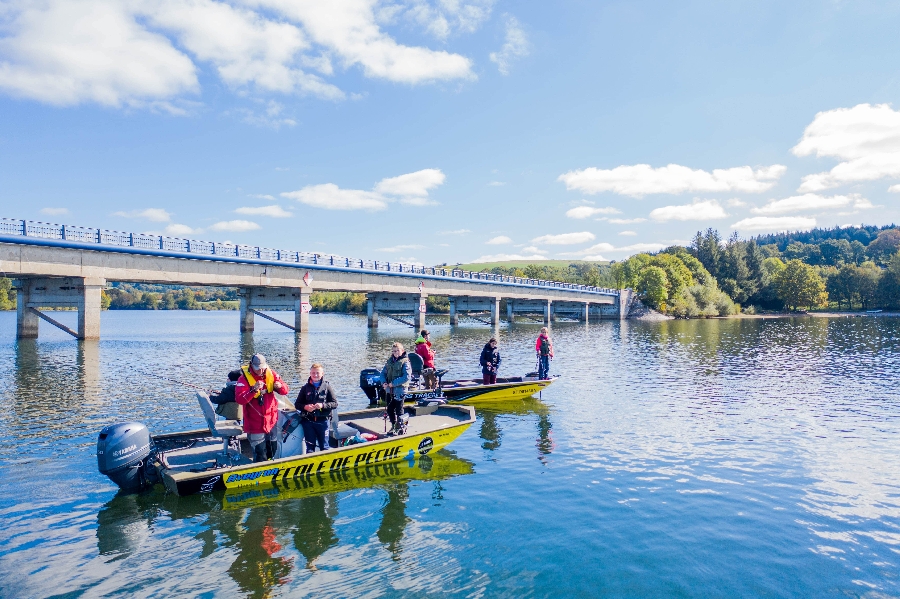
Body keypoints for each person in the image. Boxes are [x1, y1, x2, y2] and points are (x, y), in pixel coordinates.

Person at [235, 353, 289, 462]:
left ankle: (272, 467)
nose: (260, 371)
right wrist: (253, 390)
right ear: (252, 366)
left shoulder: (272, 374)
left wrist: (279, 386)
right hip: (255, 423)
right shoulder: (243, 379)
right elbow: (239, 399)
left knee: (272, 450)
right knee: (260, 453)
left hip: (271, 420)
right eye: (257, 369)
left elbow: (285, 390)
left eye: (262, 368)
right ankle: (260, 472)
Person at [295, 363, 338, 453]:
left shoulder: (327, 387)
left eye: (317, 373)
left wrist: (323, 405)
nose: (315, 375)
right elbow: (297, 404)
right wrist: (305, 407)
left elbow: (335, 404)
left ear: (322, 374)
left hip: (323, 421)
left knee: (324, 447)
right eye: (313, 373)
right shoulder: (305, 388)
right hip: (308, 422)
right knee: (310, 448)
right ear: (310, 373)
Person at [381, 342, 411, 434]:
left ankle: (400, 427)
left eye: (398, 350)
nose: (396, 352)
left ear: (402, 351)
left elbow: (406, 377)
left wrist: (393, 384)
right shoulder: (389, 361)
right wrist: (384, 382)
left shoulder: (405, 362)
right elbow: (382, 373)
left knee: (399, 409)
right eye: (394, 351)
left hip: (400, 390)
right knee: (390, 409)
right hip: (390, 390)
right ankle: (393, 426)